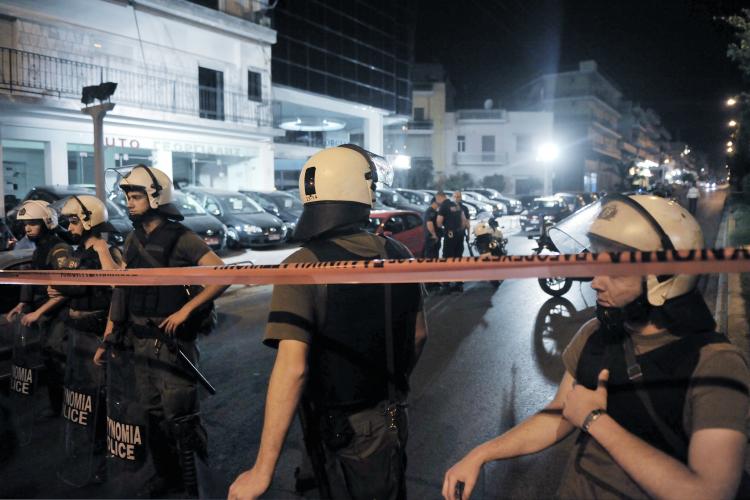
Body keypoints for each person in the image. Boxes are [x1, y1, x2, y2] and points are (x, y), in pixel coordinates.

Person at [442, 194, 749, 500]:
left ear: (663, 277)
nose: (595, 282)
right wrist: (482, 453)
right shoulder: (597, 334)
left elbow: (708, 492)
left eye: (614, 270)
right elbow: (559, 413)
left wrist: (594, 421)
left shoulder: (715, 364)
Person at [229, 144, 428, 500]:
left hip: (341, 429)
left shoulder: (302, 265)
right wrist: (389, 384)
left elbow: (293, 370)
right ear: (360, 191)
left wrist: (262, 470)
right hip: (393, 416)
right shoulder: (399, 255)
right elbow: (418, 335)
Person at [95, 165, 227, 497]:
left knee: (182, 419)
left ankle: (196, 484)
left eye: (136, 196)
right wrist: (110, 335)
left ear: (156, 197)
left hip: (172, 347)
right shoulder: (131, 239)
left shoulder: (182, 237)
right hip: (140, 344)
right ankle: (167, 476)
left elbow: (221, 274)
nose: (129, 203)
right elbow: (122, 290)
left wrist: (185, 310)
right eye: (127, 196)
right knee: (152, 418)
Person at [54, 195, 123, 486]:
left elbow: (116, 283)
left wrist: (102, 248)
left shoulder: (106, 249)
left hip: (96, 331)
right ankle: (92, 451)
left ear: (88, 219)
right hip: (77, 331)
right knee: (83, 396)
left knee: (102, 397)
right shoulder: (77, 251)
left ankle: (106, 459)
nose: (69, 226)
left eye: (73, 220)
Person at [6, 200, 73, 417]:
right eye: (25, 223)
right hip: (46, 315)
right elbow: (32, 279)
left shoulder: (59, 249)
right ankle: (58, 407)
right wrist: (22, 304)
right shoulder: (39, 250)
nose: (27, 228)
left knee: (61, 365)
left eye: (33, 223)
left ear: (47, 222)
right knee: (51, 363)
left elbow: (64, 289)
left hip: (59, 316)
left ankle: (66, 410)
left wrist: (38, 312)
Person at [436, 190, 467, 292]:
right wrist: (461, 230)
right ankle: (459, 283)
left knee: (447, 259)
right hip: (460, 235)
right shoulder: (456, 205)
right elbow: (463, 220)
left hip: (450, 235)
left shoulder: (443, 206)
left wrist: (444, 228)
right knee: (458, 258)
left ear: (440, 198)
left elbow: (439, 222)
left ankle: (446, 284)